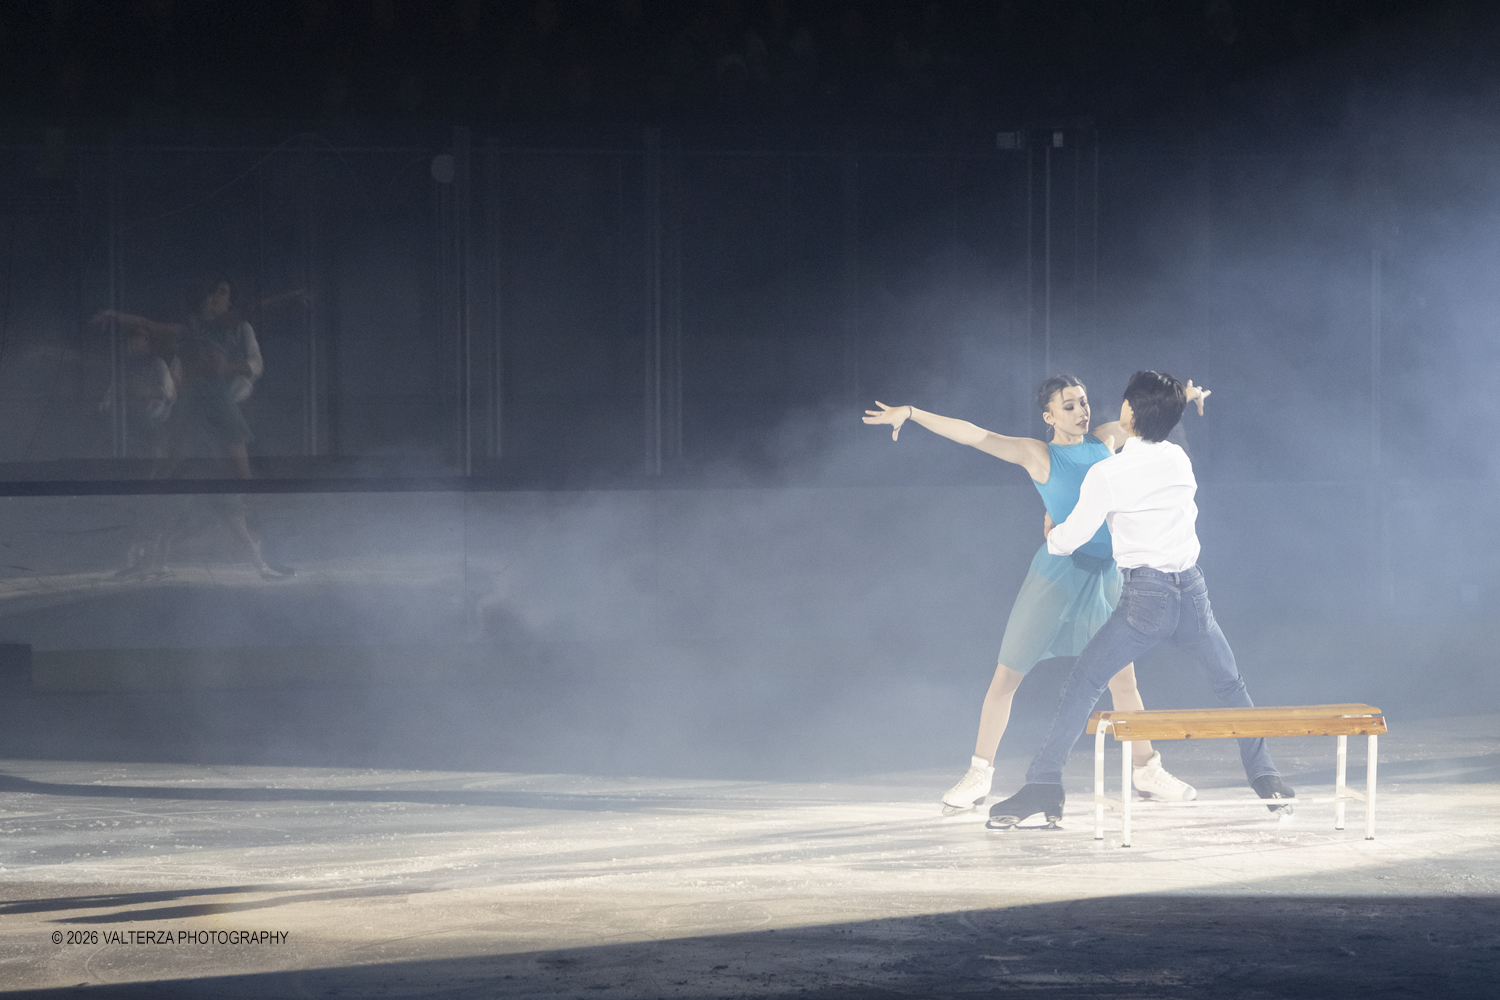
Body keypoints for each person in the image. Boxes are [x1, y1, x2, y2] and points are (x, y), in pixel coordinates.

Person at [863, 374, 1210, 815]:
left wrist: (1187, 393)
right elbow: (976, 435)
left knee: (1124, 679)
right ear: (1048, 416)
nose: (1082, 412)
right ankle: (980, 772)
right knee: (1007, 676)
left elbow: (1150, 412)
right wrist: (912, 413)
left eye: (1083, 402)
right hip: (1057, 574)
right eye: (1069, 406)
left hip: (1107, 575)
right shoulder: (1038, 454)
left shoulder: (1105, 439)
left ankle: (1146, 768)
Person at [987, 371, 1295, 830]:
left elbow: (1073, 538)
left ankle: (1044, 785)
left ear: (1129, 413)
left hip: (1144, 600)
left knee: (1082, 685)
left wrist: (1052, 536)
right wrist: (1183, 398)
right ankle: (1266, 777)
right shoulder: (1178, 460)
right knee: (1230, 686)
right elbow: (1159, 433)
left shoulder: (1107, 473)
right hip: (1193, 593)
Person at [92, 279, 293, 579]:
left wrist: (292, 296)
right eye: (210, 297)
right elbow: (151, 325)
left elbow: (256, 316)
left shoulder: (232, 329)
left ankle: (260, 558)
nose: (214, 302)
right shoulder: (187, 335)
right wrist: (115, 317)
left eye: (220, 297)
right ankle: (149, 555)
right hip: (193, 407)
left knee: (240, 483)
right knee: (167, 483)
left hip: (219, 404)